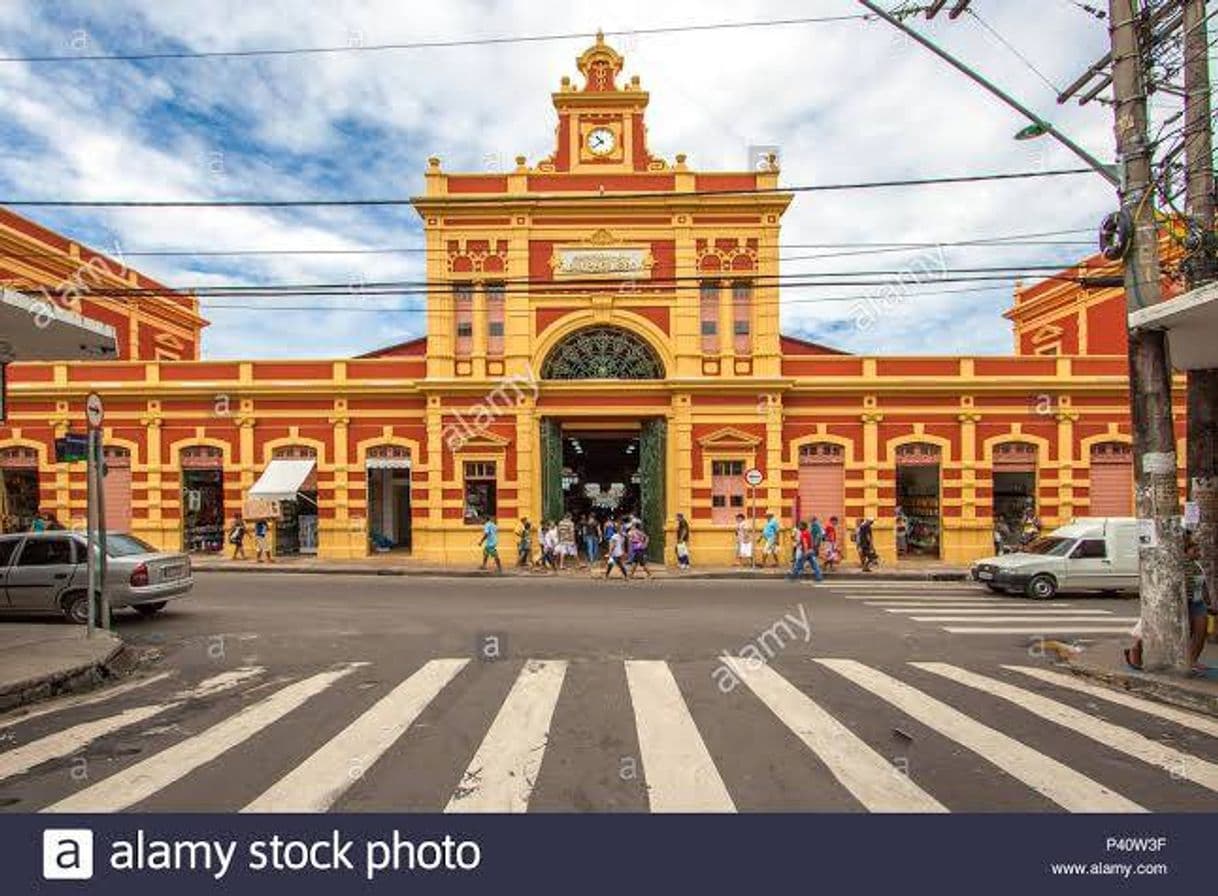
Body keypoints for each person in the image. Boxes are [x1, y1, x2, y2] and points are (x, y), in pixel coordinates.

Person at [1125, 534, 1212, 672]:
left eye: (1198, 550)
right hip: (1178, 604)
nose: (1198, 554)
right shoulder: (1176, 564)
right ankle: (1136, 649)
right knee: (1159, 630)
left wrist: (1208, 600)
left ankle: (1192, 660)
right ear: (1185, 551)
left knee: (1200, 632)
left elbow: (1202, 583)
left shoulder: (1196, 565)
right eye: (1194, 551)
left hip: (1197, 602)